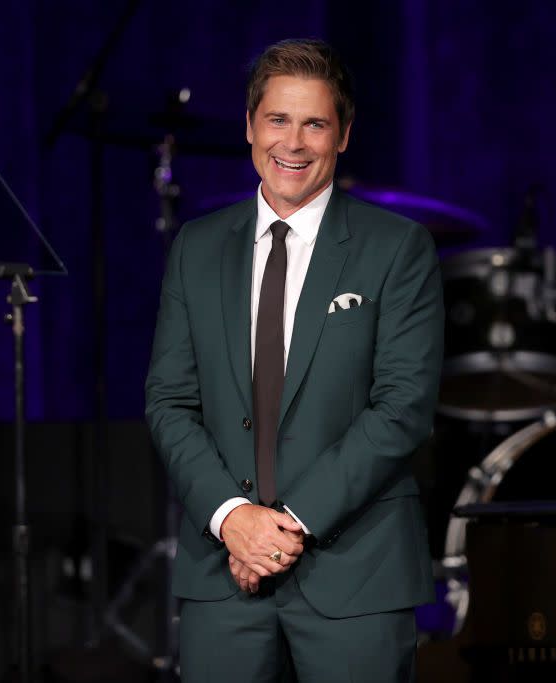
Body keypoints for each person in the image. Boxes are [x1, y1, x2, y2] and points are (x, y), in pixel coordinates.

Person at [145, 38, 444, 682]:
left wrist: (285, 528)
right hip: (222, 581)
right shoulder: (196, 249)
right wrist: (232, 520)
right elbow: (170, 402)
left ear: (343, 136)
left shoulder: (396, 248)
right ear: (250, 126)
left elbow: (403, 409)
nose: (295, 142)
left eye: (316, 123)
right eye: (278, 119)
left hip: (356, 579)